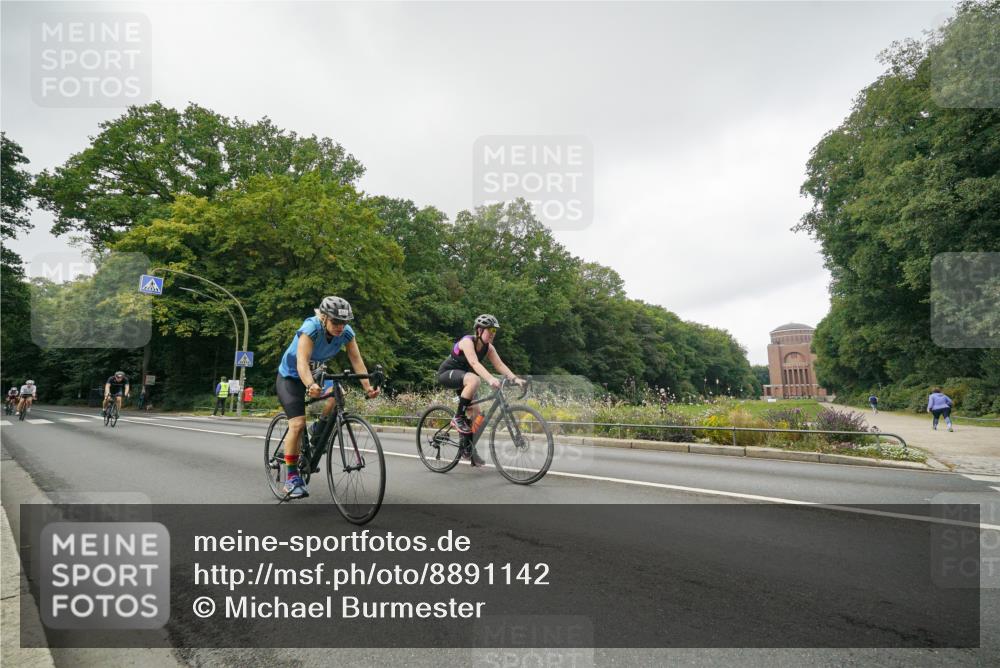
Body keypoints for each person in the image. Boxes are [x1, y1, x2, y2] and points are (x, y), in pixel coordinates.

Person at [275, 296, 380, 499]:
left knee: (338, 393)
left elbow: (356, 360)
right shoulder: (311, 328)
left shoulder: (347, 333)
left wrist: (368, 387)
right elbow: (302, 363)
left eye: (344, 322)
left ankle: (318, 431)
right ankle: (291, 478)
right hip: (291, 376)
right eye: (335, 322)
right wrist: (310, 385)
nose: (340, 327)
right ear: (323, 318)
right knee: (297, 424)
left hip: (316, 375)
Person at [437, 314, 524, 466]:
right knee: (475, 379)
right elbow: (474, 363)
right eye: (489, 330)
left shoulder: (489, 348)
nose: (492, 333)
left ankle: (468, 449)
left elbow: (500, 365)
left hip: (465, 380)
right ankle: (457, 417)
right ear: (478, 330)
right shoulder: (467, 342)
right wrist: (490, 379)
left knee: (476, 413)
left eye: (494, 331)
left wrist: (515, 378)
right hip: (447, 374)